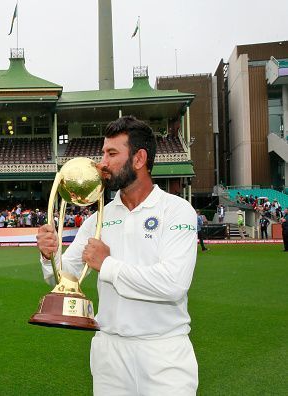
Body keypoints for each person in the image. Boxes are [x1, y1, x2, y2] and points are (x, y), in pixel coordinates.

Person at [36, 116, 198, 395]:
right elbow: (62, 277)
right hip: (109, 351)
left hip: (163, 351)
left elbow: (173, 285)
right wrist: (48, 254)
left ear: (139, 159)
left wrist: (107, 265)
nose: (102, 164)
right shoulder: (99, 219)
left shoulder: (176, 210)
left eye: (112, 154)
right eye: (103, 153)